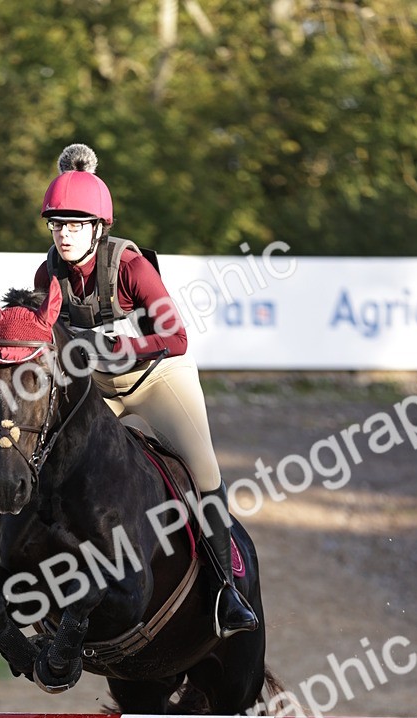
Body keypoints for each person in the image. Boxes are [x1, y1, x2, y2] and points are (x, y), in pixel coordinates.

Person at [34, 143, 258, 636]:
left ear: (97, 228)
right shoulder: (48, 274)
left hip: (157, 377)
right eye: (57, 225)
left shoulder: (131, 267)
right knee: (58, 470)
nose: (64, 234)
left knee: (203, 470)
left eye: (75, 225)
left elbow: (176, 338)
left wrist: (123, 346)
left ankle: (228, 592)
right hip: (99, 388)